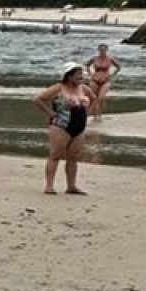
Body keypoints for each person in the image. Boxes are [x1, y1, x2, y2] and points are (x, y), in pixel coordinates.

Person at [36, 65, 91, 195]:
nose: (80, 77)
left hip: (79, 126)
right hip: (61, 126)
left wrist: (87, 112)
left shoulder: (83, 89)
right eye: (77, 74)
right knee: (55, 155)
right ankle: (49, 186)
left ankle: (71, 186)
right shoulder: (58, 88)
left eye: (81, 74)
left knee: (73, 157)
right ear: (69, 75)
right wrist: (51, 114)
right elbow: (38, 99)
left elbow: (93, 98)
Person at [86, 41, 121, 116]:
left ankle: (99, 114)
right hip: (94, 79)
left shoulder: (110, 59)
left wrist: (112, 75)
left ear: (106, 50)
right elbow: (87, 65)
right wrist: (90, 74)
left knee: (101, 97)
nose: (102, 51)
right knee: (94, 97)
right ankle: (94, 114)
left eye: (104, 50)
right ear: (98, 50)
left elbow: (118, 67)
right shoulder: (94, 58)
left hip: (106, 79)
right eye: (101, 50)